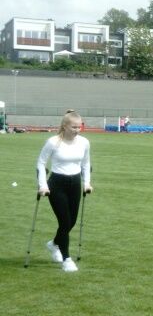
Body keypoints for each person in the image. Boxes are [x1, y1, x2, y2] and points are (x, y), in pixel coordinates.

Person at [36, 110, 93, 273]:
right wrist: (43, 185)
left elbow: (86, 163)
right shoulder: (53, 142)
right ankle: (67, 259)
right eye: (74, 127)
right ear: (65, 126)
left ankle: (54, 244)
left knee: (71, 222)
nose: (77, 130)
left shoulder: (84, 142)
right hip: (57, 184)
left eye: (79, 127)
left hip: (75, 184)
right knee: (65, 222)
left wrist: (86, 183)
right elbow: (41, 163)